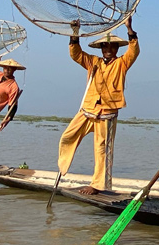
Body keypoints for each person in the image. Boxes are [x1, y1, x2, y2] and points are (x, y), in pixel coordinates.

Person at [57, 16, 139, 195]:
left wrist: (129, 29)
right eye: (105, 47)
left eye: (111, 47)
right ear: (101, 49)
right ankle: (62, 167)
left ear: (116, 48)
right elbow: (76, 54)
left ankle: (98, 185)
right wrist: (75, 33)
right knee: (67, 136)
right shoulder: (93, 62)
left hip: (107, 112)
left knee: (102, 149)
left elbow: (134, 51)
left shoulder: (121, 63)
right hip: (88, 108)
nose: (108, 50)